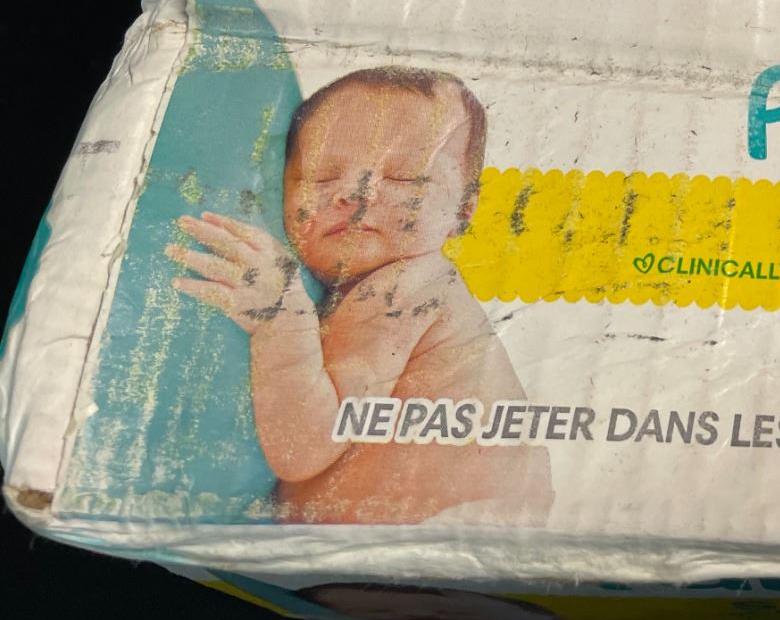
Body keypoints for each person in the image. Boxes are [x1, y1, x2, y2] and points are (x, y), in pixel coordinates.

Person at [166, 67, 551, 524]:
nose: (354, 193)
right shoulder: (375, 290)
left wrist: (281, 319)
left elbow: (303, 446)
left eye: (405, 178)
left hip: (439, 535)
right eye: (322, 176)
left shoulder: (409, 286)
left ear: (464, 209)